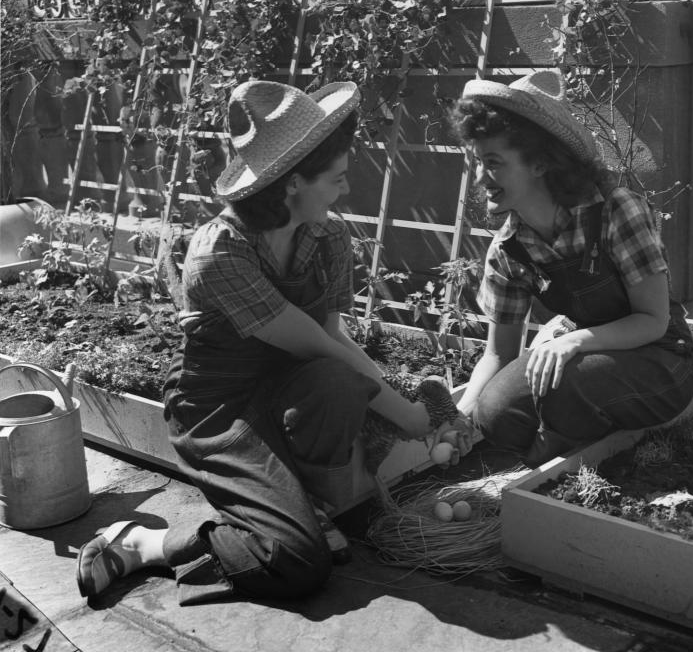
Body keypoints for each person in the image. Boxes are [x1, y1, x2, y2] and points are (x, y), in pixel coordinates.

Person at [76, 80, 467, 605]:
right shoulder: (221, 252)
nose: (345, 192)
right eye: (337, 179)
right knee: (300, 563)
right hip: (220, 410)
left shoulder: (326, 237)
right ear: (291, 184)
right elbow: (314, 345)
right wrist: (414, 417)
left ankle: (302, 502)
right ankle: (144, 543)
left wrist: (414, 404)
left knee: (339, 384)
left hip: (291, 390)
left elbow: (334, 341)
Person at [450, 69, 693, 468]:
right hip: (588, 360)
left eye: (493, 163)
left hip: (663, 361)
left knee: (564, 387)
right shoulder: (509, 248)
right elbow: (498, 354)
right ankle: (572, 430)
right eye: (477, 162)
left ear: (538, 163)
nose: (480, 177)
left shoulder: (616, 211)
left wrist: (572, 341)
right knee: (494, 413)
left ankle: (560, 457)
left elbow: (653, 321)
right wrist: (463, 412)